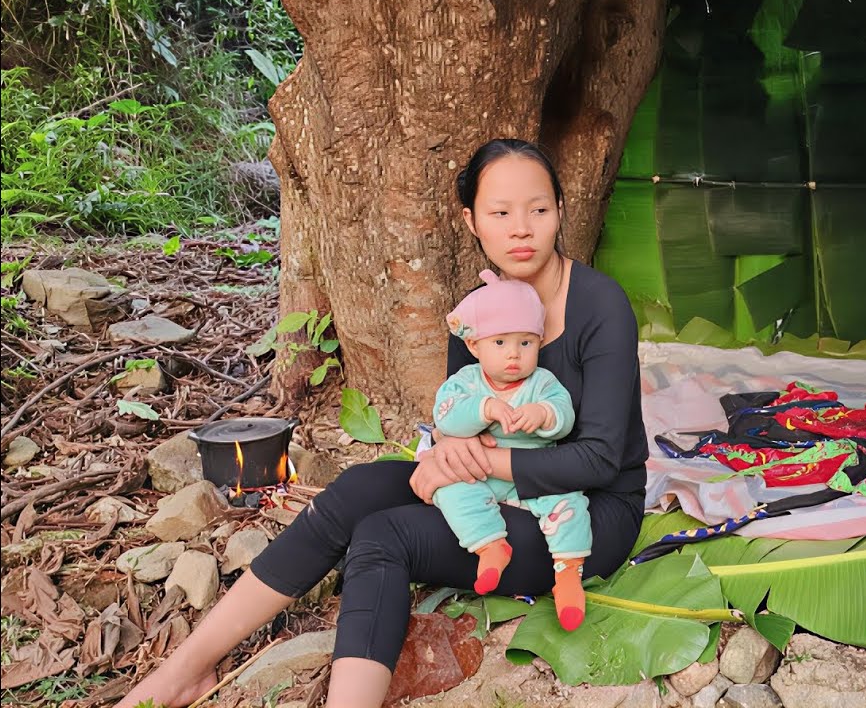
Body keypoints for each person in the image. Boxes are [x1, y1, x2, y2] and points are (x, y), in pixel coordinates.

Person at [116, 138, 649, 708]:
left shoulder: (600, 305)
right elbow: (455, 421)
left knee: (385, 537)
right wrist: (443, 455)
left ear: (561, 212)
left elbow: (599, 459)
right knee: (356, 490)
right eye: (500, 212)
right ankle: (185, 671)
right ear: (470, 221)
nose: (521, 228)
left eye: (538, 210)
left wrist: (466, 461)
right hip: (494, 491)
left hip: (584, 516)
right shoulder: (473, 313)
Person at [431, 268, 591, 630]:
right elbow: (446, 417)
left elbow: (563, 415)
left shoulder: (542, 382)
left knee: (569, 503)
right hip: (481, 474)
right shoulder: (466, 382)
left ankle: (568, 573)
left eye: (526, 343)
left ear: (540, 341)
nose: (514, 355)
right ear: (474, 346)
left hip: (533, 475)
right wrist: (483, 409)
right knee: (451, 491)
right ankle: (490, 546)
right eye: (500, 343)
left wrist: (543, 414)